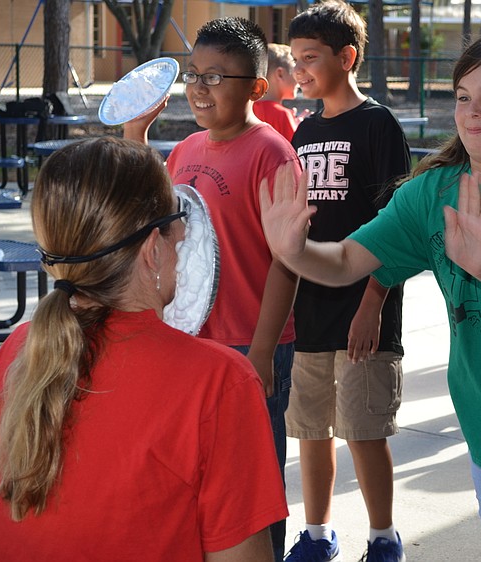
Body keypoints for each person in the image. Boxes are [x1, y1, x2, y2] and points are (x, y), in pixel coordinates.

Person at [262, 30, 481, 562]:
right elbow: (342, 262)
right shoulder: (429, 192)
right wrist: (294, 250)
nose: (472, 112)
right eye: (462, 97)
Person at [0, 137, 287, 561]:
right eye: (180, 219)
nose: (186, 235)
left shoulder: (17, 353)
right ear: (153, 249)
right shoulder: (218, 383)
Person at [124, 17, 301, 560]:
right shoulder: (187, 150)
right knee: (196, 474)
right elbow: (154, 220)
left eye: (216, 77)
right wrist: (136, 137)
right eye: (194, 75)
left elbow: (287, 262)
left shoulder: (272, 153)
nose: (199, 88)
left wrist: (266, 351)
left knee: (252, 481)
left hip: (250, 343)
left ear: (256, 87)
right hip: (192, 339)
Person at [280, 2, 411, 561]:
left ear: (347, 57)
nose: (300, 69)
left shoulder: (378, 124)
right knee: (311, 431)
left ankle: (383, 540)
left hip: (364, 313)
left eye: (310, 58)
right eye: (294, 60)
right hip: (308, 312)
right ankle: (316, 536)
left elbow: (398, 226)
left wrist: (373, 303)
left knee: (363, 430)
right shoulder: (304, 130)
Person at [253, 43, 304, 141]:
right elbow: (293, 152)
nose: (299, 75)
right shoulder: (282, 115)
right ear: (280, 74)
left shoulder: (247, 111)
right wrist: (299, 130)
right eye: (295, 70)